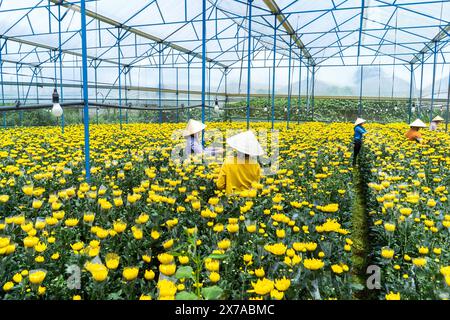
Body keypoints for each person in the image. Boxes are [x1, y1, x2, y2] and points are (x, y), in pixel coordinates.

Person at [216, 130, 264, 195]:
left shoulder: (228, 162)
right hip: (249, 199)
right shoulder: (256, 164)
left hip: (231, 199)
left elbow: (220, 185)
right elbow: (256, 185)